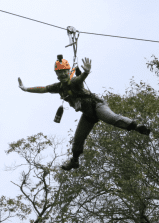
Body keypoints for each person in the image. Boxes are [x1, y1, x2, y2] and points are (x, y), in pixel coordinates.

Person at [18, 55, 151, 170]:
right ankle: (74, 161)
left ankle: (137, 127)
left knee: (111, 118)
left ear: (68, 71)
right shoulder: (58, 87)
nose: (63, 75)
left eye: (65, 72)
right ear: (57, 75)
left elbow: (80, 78)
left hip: (96, 105)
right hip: (88, 115)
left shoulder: (74, 82)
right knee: (77, 140)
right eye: (60, 73)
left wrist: (86, 72)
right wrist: (26, 89)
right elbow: (43, 89)